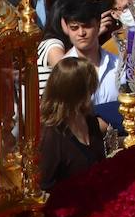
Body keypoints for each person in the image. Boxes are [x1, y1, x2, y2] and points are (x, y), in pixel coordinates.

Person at [39, 56, 105, 191]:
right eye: (88, 90)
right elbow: (43, 187)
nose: (91, 94)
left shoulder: (89, 120)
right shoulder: (51, 136)